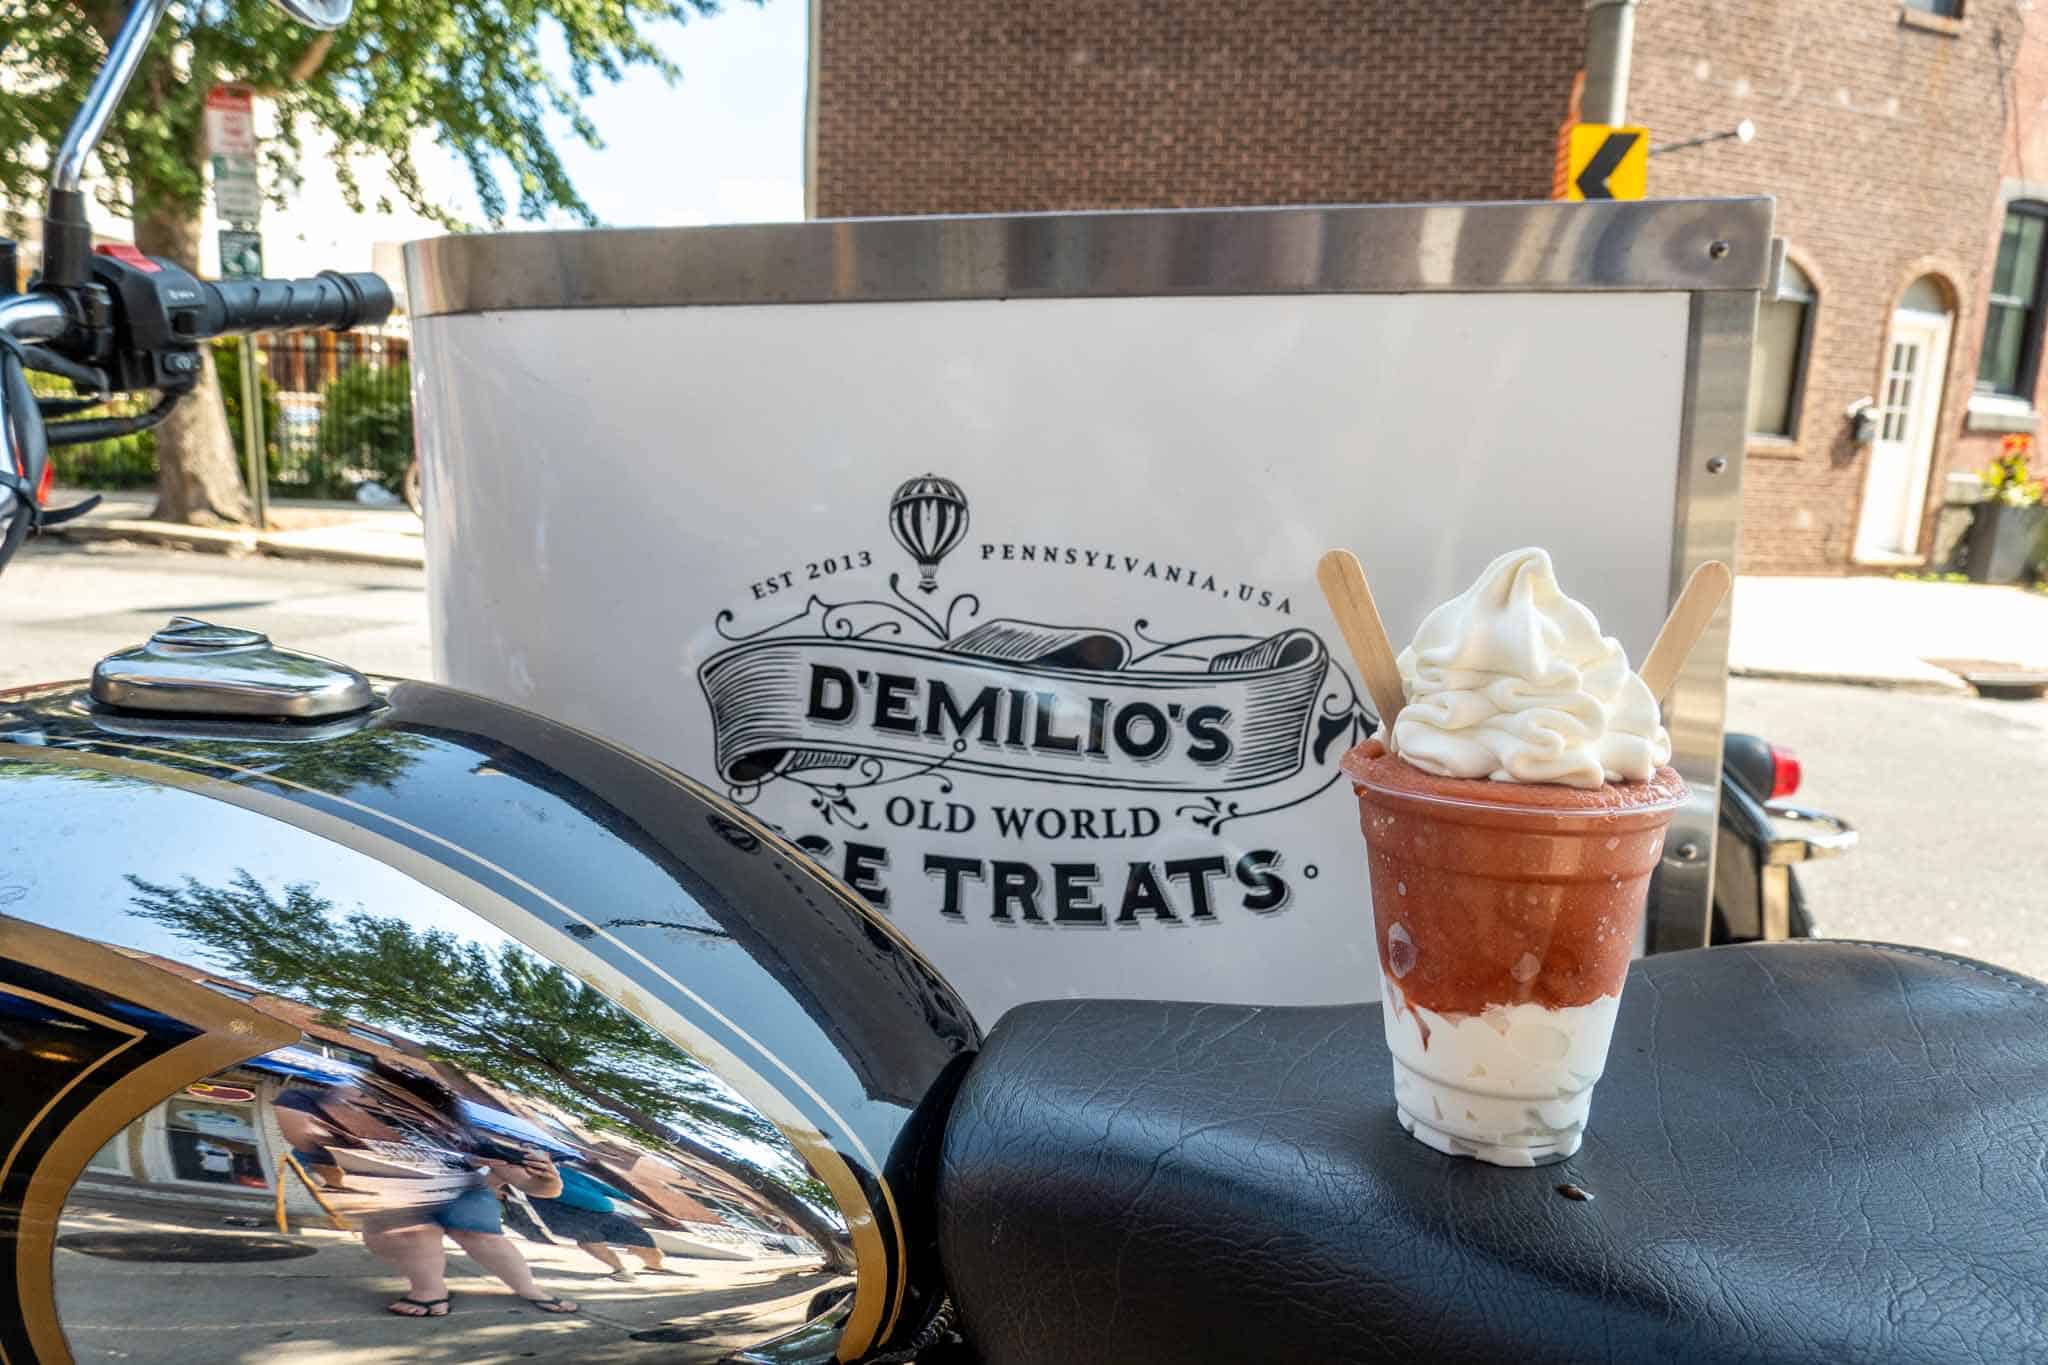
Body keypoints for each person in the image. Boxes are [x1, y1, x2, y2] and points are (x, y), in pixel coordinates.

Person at [272, 1066, 580, 1319]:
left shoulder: (458, 1133)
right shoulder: (311, 1100)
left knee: (483, 1235)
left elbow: (539, 1188)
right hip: (378, 1184)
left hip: (457, 1188)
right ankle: (430, 1290)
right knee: (410, 1232)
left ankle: (529, 1289)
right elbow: (308, 1140)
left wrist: (548, 1179)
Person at [526, 1162, 673, 1281]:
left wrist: (662, 1216)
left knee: (647, 1244)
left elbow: (626, 1198)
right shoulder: (527, 1177)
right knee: (589, 1239)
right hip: (568, 1216)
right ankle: (620, 1270)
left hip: (606, 1215)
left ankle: (654, 1266)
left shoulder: (571, 1173)